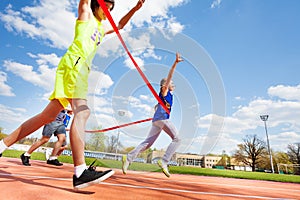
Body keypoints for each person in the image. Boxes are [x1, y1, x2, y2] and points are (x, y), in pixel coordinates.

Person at [0, 0, 145, 189]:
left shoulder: (100, 28)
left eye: (111, 9)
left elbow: (119, 26)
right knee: (82, 112)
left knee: (48, 116)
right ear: (96, 4)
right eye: (106, 7)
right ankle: (80, 171)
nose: (108, 11)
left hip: (80, 71)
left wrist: (135, 9)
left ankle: (2, 145)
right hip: (74, 66)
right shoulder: (86, 16)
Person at [122, 52, 184, 177]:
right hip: (162, 119)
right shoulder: (165, 91)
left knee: (147, 144)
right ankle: (164, 161)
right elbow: (170, 75)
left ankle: (128, 157)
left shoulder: (169, 96)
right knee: (177, 139)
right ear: (165, 85)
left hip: (158, 121)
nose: (173, 84)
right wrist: (175, 63)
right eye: (171, 83)